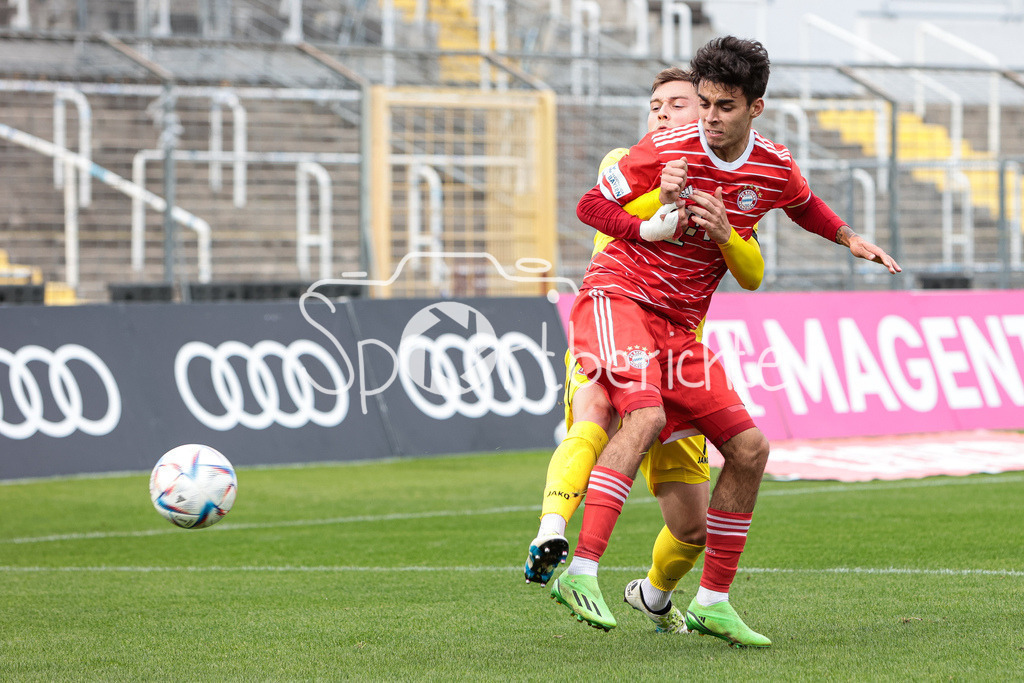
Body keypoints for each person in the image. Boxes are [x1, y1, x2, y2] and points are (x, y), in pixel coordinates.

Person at [549, 36, 901, 647]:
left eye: (725, 107)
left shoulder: (771, 163)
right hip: (620, 297)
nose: (709, 118)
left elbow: (802, 203)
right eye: (704, 103)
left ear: (755, 109)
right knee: (643, 415)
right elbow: (588, 207)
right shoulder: (664, 147)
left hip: (681, 327)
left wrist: (849, 239)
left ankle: (712, 601)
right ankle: (579, 571)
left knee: (750, 449)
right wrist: (650, 223)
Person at [525, 67, 765, 635]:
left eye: (677, 104)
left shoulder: (728, 182)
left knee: (693, 526)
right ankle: (553, 534)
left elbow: (752, 270)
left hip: (681, 349)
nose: (662, 112)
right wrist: (670, 186)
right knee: (596, 419)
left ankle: (655, 595)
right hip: (614, 323)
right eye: (655, 104)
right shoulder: (627, 159)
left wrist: (726, 229)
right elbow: (619, 212)